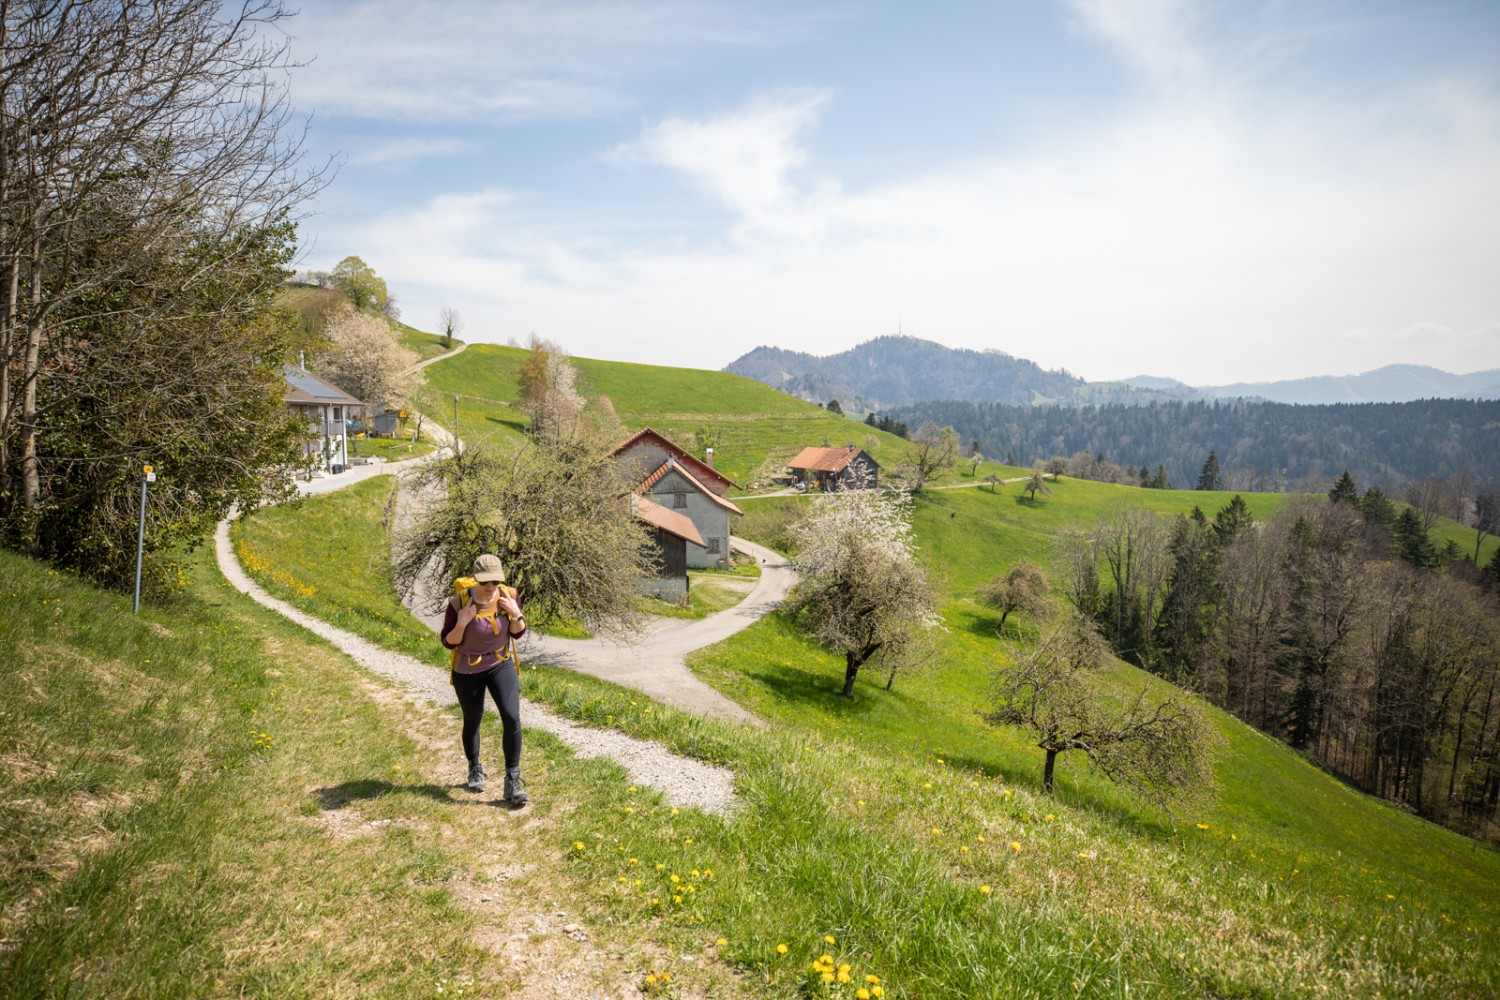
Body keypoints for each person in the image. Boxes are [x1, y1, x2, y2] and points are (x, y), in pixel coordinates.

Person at [441, 553, 529, 805]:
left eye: (494, 582)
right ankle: (474, 767)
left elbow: (517, 633)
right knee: (473, 719)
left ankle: (512, 780)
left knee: (512, 716)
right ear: (475, 580)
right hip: (467, 668)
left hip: (500, 663)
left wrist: (516, 615)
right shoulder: (459, 603)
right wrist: (462, 623)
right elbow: (448, 642)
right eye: (484, 582)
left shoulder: (509, 596)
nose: (490, 587)